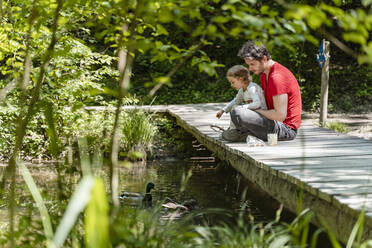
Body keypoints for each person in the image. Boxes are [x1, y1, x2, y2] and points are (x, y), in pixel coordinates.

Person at [222, 41, 302, 142]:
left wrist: (252, 110)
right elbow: (266, 106)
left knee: (238, 113)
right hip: (271, 123)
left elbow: (279, 116)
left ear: (264, 59)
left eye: (252, 64)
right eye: (248, 65)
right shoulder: (264, 75)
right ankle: (247, 134)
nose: (250, 69)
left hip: (286, 130)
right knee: (237, 110)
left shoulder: (277, 77)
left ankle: (245, 134)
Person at [216, 65, 267, 133]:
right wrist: (223, 110)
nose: (231, 85)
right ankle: (233, 130)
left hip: (262, 117)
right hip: (254, 115)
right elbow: (235, 101)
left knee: (237, 109)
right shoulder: (242, 90)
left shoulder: (252, 88)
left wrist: (242, 107)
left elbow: (257, 103)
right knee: (235, 107)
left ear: (240, 79)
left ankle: (233, 131)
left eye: (233, 82)